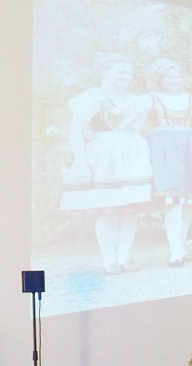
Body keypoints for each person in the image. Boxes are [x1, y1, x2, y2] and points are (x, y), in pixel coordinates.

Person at [60, 53, 153, 275]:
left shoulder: (134, 100)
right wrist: (81, 164)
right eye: (121, 72)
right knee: (110, 209)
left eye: (129, 73)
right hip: (104, 157)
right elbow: (76, 130)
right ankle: (109, 259)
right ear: (104, 71)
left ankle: (125, 257)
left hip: (132, 155)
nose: (126, 77)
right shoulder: (93, 97)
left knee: (130, 209)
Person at [144, 59, 192, 267]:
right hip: (164, 150)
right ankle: (175, 252)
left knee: (188, 202)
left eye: (177, 76)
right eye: (169, 77)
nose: (174, 80)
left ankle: (180, 247)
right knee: (173, 201)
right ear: (159, 80)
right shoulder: (150, 99)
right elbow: (129, 121)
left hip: (189, 149)